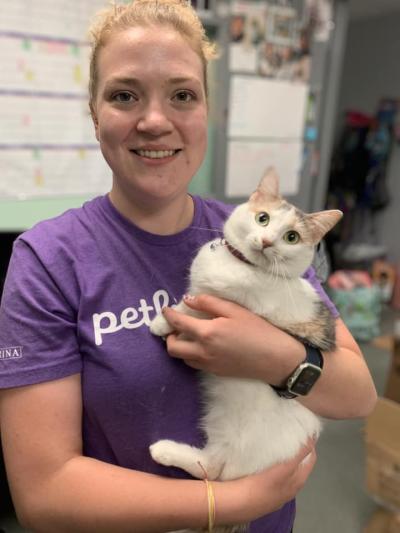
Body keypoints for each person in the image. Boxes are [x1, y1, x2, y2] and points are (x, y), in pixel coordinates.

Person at [0, 1, 377, 532]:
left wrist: (274, 356)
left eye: (182, 95)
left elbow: (359, 394)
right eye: (125, 95)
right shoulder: (48, 260)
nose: (155, 121)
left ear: (207, 111)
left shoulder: (257, 240)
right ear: (94, 112)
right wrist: (232, 502)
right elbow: (42, 494)